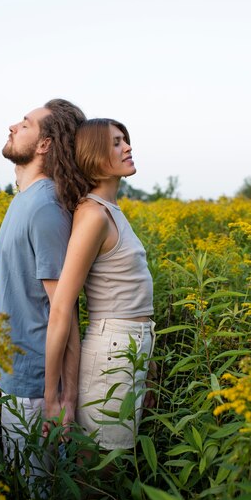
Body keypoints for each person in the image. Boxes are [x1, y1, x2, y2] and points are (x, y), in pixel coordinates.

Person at [44, 118, 155, 450]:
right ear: (94, 155)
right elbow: (62, 305)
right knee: (100, 466)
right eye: (117, 142)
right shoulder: (93, 215)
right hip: (113, 350)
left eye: (126, 140)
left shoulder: (110, 210)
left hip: (131, 347)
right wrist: (54, 395)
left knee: (115, 461)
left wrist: (145, 368)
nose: (128, 147)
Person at [0, 98, 89, 468]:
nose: (13, 126)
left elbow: (64, 311)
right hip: (16, 376)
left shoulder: (45, 207)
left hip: (35, 388)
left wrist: (63, 399)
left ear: (45, 144)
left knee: (35, 496)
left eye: (26, 124)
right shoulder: (25, 200)